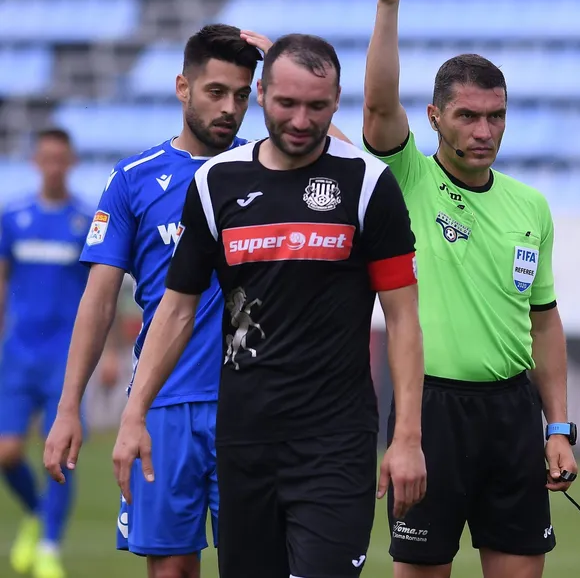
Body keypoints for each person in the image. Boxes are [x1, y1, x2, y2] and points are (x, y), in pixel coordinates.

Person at [111, 33, 427, 578]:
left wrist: (407, 438)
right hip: (244, 442)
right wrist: (134, 413)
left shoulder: (367, 183)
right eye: (287, 103)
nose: (301, 120)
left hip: (336, 443)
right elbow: (176, 310)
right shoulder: (216, 183)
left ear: (337, 100)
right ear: (260, 94)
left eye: (317, 106)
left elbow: (402, 319)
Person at [42, 24, 299, 578]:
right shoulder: (133, 181)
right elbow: (99, 302)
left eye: (241, 95)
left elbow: (352, 160)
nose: (229, 108)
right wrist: (68, 408)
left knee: (257, 565)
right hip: (162, 405)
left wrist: (285, 62)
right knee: (171, 570)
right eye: (215, 92)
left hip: (250, 405)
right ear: (183, 87)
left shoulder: (268, 167)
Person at [362, 0, 578, 578]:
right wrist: (388, 4)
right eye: (467, 116)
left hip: (513, 413)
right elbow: (378, 105)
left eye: (496, 117)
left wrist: (558, 427)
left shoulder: (529, 206)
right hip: (430, 411)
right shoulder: (409, 177)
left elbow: (545, 322)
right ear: (434, 117)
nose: (484, 132)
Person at [0, 128, 92, 578]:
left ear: (71, 162)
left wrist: (113, 353)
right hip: (19, 353)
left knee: (62, 450)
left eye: (61, 159)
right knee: (7, 453)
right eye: (47, 158)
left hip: (66, 356)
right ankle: (37, 513)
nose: (54, 166)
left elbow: (101, 292)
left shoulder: (85, 221)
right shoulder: (13, 217)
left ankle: (50, 545)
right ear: (36, 161)